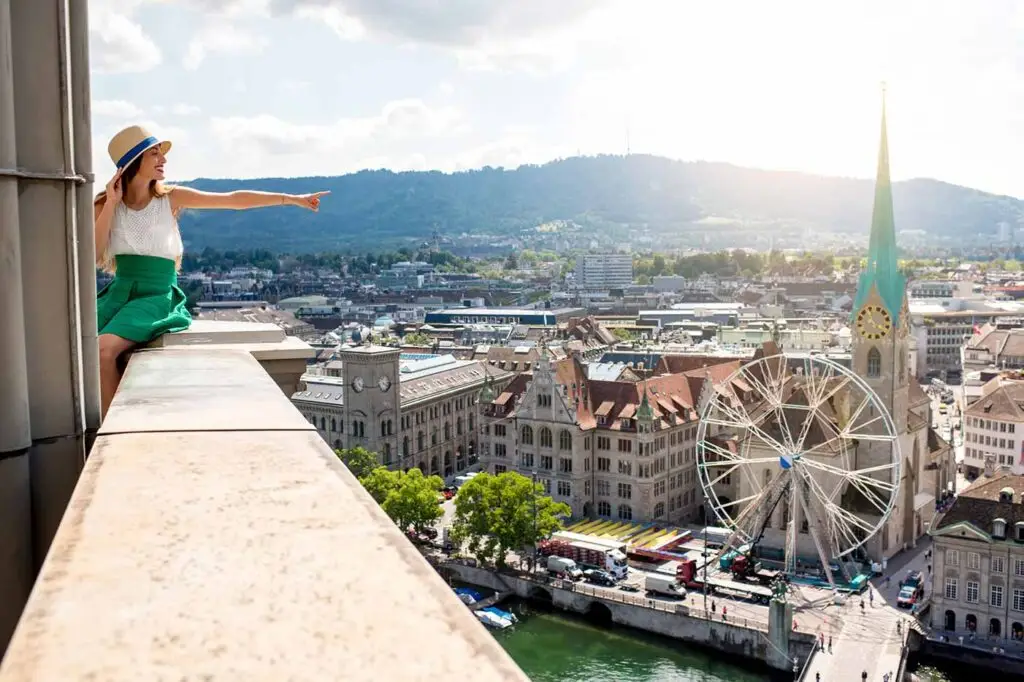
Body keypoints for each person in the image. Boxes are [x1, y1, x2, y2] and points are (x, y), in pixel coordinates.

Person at [94, 125, 328, 417]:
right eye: (154, 154)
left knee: (104, 351)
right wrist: (111, 204)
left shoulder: (170, 198)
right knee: (75, 347)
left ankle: (112, 433)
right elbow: (93, 253)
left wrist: (291, 198)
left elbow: (231, 200)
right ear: (133, 162)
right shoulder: (106, 204)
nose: (163, 160)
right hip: (119, 293)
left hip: (154, 296)